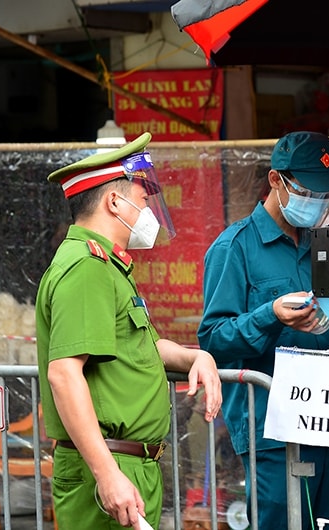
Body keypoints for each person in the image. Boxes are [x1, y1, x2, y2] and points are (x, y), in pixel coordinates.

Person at [198, 131, 329, 530]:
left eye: (325, 195)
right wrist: (270, 315)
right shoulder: (235, 248)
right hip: (274, 431)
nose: (317, 203)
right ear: (276, 180)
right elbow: (213, 340)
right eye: (309, 191)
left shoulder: (322, 247)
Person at [36, 132, 222, 530]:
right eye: (141, 201)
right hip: (108, 466)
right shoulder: (87, 267)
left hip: (129, 465)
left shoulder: (108, 267)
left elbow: (146, 347)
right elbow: (64, 374)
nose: (147, 212)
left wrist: (195, 356)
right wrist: (106, 474)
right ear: (113, 202)